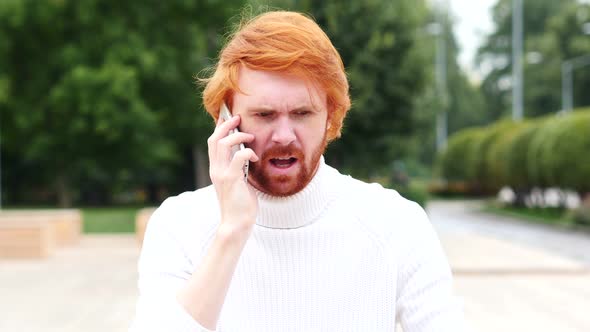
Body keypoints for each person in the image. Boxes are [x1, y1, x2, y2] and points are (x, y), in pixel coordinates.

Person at [130, 10, 465, 332]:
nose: (285, 135)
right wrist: (231, 231)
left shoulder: (397, 225)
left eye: (302, 113)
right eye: (264, 114)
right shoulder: (178, 224)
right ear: (226, 118)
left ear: (331, 116)